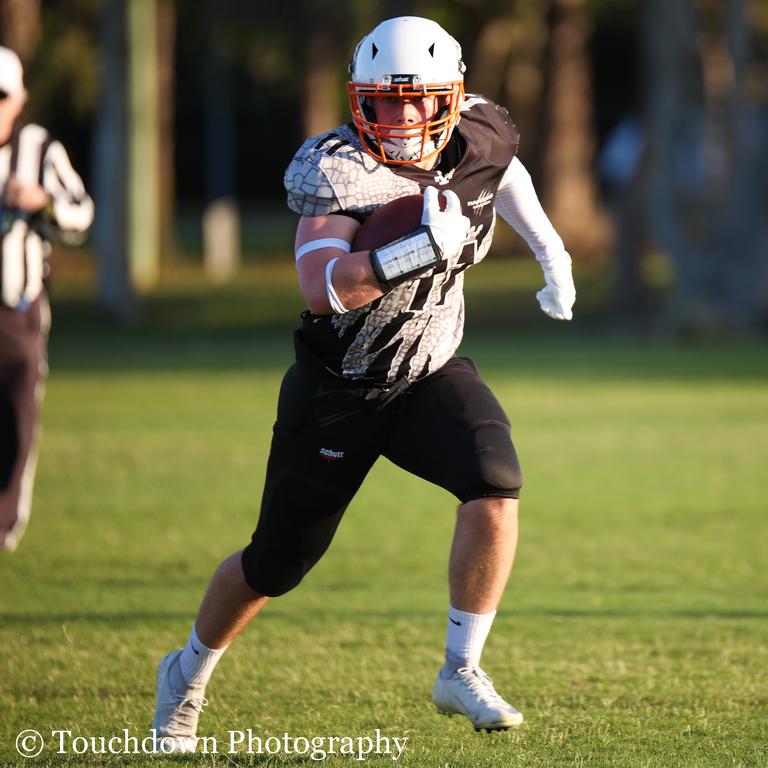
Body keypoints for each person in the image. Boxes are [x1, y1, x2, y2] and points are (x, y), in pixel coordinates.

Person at [153, 16, 575, 743]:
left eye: (418, 101)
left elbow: (503, 176)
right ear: (359, 101)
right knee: (275, 563)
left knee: (496, 481)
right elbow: (321, 285)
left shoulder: (481, 130)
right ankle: (186, 673)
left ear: (454, 97)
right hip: (341, 387)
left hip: (429, 369)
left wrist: (551, 252)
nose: (403, 116)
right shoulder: (338, 167)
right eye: (384, 101)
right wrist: (409, 253)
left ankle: (459, 667)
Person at [0, 46, 94, 552]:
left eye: (1, 97)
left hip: (16, 307)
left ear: (19, 100)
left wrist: (42, 203)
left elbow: (82, 215)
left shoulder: (38, 148)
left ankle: (3, 528)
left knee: (17, 422)